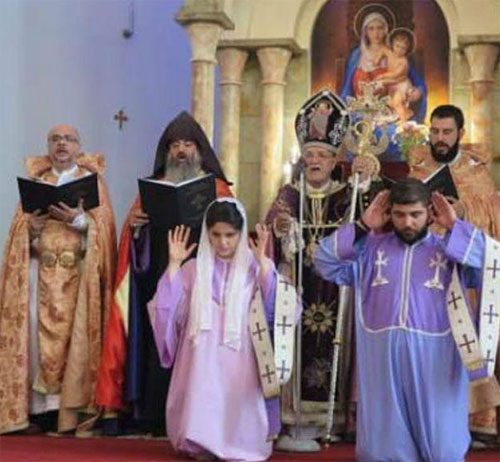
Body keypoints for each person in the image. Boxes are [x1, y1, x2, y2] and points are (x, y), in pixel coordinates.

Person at [314, 179, 500, 462]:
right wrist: (362, 226)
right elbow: (324, 261)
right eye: (399, 215)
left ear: (430, 213)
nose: (407, 223)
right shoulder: (369, 250)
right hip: (381, 356)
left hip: (437, 357)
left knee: (443, 448)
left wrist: (455, 227)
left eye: (415, 214)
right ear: (389, 213)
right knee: (380, 449)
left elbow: (493, 264)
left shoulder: (450, 249)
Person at [95, 111, 232, 435]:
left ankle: (197, 416)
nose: (181, 151)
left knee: (197, 343)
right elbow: (132, 247)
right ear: (167, 152)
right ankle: (152, 413)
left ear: (199, 150)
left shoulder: (218, 189)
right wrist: (136, 229)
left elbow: (231, 233)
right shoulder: (151, 189)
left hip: (203, 279)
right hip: (160, 278)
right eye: (174, 145)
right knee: (159, 340)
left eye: (188, 144)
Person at [148, 199, 286, 461]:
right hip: (200, 354)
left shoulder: (254, 267)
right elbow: (164, 308)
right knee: (203, 395)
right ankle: (202, 443)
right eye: (216, 235)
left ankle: (239, 444)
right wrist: (174, 265)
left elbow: (278, 307)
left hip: (242, 354)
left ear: (241, 233)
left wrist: (265, 265)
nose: (223, 243)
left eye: (230, 235)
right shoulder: (192, 269)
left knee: (237, 399)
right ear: (207, 233)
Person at [0, 125, 117, 434]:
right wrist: (30, 230)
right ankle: (39, 411)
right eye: (55, 139)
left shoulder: (93, 184)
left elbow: (105, 230)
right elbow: (17, 233)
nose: (61, 144)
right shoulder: (38, 182)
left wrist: (79, 220)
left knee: (75, 341)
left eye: (68, 139)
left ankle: (69, 410)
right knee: (35, 339)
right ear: (48, 147)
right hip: (41, 273)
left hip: (77, 276)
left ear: (79, 147)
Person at [267, 90, 355, 444]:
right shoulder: (289, 194)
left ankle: (333, 419)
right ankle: (296, 416)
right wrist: (281, 229)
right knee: (297, 343)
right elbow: (269, 233)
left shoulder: (348, 195)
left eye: (322, 155)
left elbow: (362, 236)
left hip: (336, 287)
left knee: (334, 345)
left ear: (334, 161)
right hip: (299, 284)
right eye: (309, 154)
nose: (315, 161)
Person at [410, 104, 500, 443]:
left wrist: (462, 211)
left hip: (467, 280)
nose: (440, 138)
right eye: (434, 131)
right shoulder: (419, 170)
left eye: (446, 132)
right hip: (428, 276)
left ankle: (475, 420)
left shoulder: (477, 173)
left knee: (466, 345)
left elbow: (493, 219)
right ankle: (431, 420)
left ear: (460, 134)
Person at [375, 28, 422, 122]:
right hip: (393, 85)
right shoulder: (389, 53)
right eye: (397, 46)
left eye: (403, 48)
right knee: (390, 102)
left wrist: (383, 76)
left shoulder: (403, 61)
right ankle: (407, 113)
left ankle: (403, 122)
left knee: (397, 102)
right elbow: (383, 50)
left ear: (407, 50)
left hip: (402, 85)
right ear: (392, 44)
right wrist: (378, 58)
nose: (399, 50)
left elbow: (396, 74)